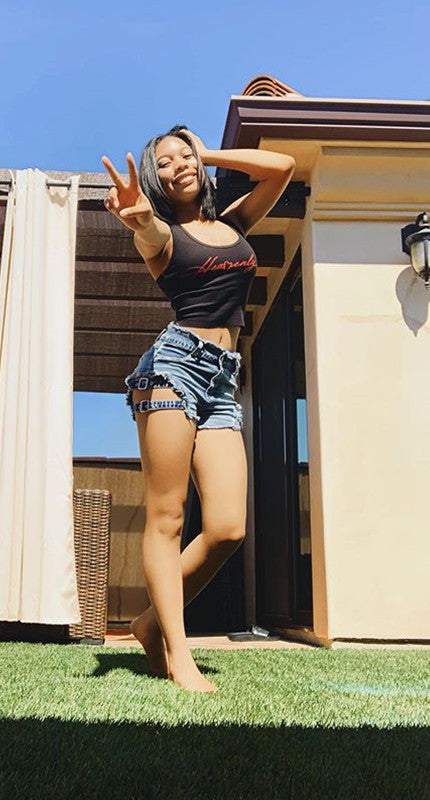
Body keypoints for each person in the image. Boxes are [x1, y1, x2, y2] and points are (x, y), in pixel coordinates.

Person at [101, 126, 295, 692]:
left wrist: (203, 152)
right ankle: (177, 653)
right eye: (163, 163)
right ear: (154, 180)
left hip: (222, 378)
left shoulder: (234, 222)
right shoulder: (165, 236)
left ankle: (147, 622)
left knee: (228, 528)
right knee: (168, 517)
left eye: (183, 155)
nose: (178, 165)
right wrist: (139, 216)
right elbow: (149, 231)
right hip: (173, 368)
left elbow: (282, 167)